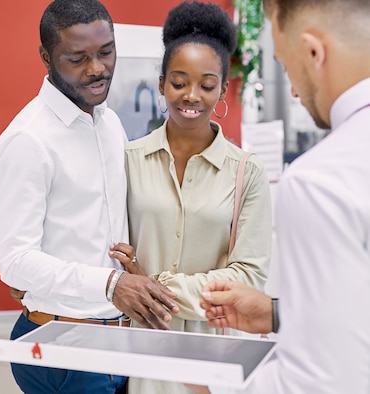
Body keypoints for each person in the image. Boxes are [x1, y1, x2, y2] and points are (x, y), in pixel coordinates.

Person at [0, 0, 179, 392]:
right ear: (46, 57)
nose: (97, 68)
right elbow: (14, 262)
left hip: (119, 337)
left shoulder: (108, 122)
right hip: (65, 348)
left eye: (106, 52)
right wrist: (109, 284)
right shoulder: (28, 141)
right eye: (77, 58)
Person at [199, 0, 370, 392]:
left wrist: (219, 385)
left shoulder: (320, 181)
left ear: (314, 52)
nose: (292, 89)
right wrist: (279, 314)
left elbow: (320, 382)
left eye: (286, 64)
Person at [108, 1, 272, 393]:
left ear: (222, 86)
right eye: (179, 82)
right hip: (139, 346)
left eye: (207, 84)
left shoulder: (247, 172)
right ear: (162, 82)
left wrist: (153, 286)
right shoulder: (126, 160)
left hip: (212, 346)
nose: (191, 96)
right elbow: (113, 253)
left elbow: (248, 276)